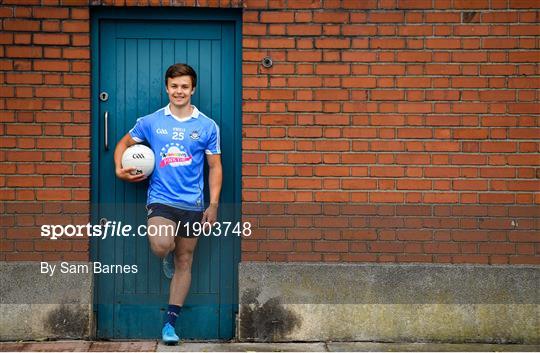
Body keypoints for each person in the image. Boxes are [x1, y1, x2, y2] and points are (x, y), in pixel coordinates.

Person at [113, 63, 222, 344]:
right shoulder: (151, 121)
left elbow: (215, 167)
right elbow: (123, 144)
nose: (179, 91)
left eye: (184, 86)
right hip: (161, 199)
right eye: (174, 86)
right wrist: (118, 168)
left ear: (193, 89)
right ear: (167, 88)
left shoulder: (207, 126)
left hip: (193, 204)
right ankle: (166, 254)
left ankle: (170, 325)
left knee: (185, 260)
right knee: (162, 245)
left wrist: (213, 205)